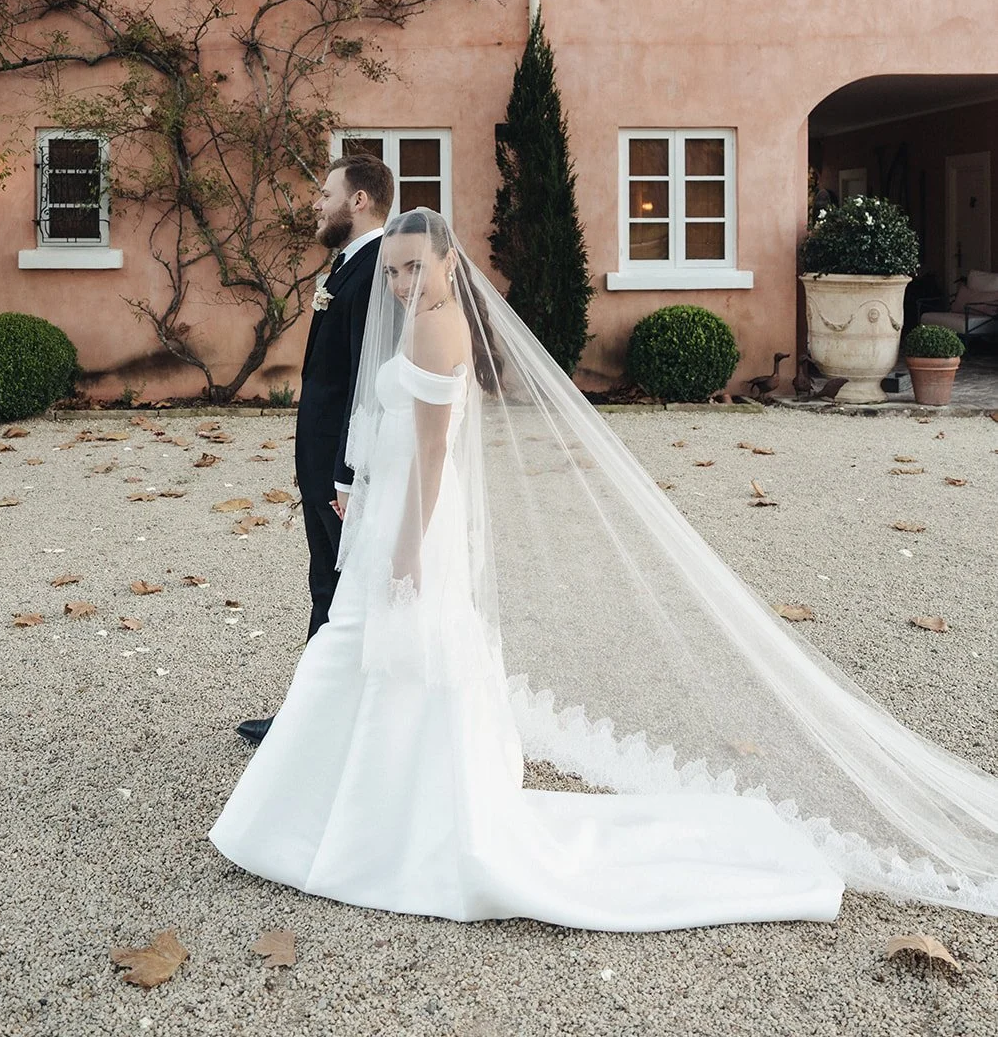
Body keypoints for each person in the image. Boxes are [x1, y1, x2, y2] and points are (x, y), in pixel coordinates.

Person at [214, 209, 998, 927]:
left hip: (415, 521)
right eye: (390, 270)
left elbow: (428, 451)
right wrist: (369, 497)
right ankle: (362, 815)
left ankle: (359, 825)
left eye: (413, 267)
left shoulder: (434, 328)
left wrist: (408, 545)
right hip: (398, 508)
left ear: (449, 264)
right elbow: (403, 441)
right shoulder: (423, 320)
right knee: (371, 654)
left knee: (381, 647)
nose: (399, 282)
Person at [235, 153, 392, 748]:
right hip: (324, 461)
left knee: (344, 588)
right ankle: (317, 712)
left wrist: (345, 473)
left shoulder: (376, 268)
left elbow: (364, 379)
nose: (317, 204)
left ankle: (323, 722)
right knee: (326, 583)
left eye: (327, 194)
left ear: (358, 200)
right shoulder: (346, 266)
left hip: (340, 469)